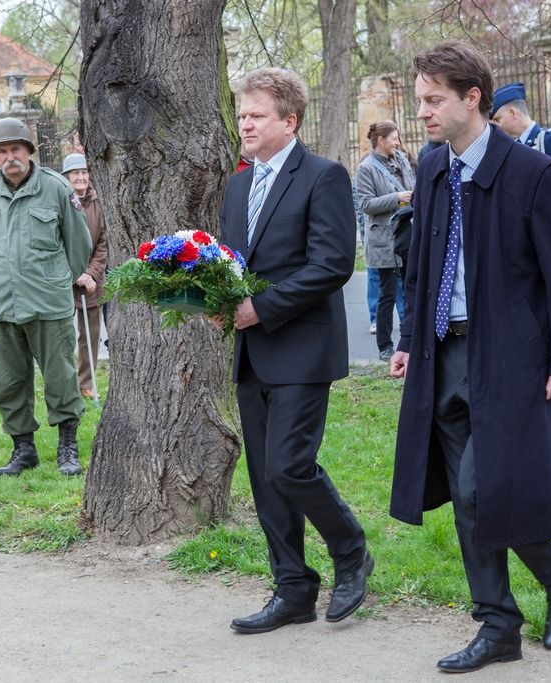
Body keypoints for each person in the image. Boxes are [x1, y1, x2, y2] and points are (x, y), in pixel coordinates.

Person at [389, 41, 551, 673]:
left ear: (471, 98)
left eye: (433, 100)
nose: (421, 112)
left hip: (511, 357)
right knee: (462, 487)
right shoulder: (430, 168)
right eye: (419, 100)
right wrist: (405, 339)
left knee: (485, 486)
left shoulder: (530, 172)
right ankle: (498, 625)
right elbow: (421, 265)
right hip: (443, 352)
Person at [218, 68, 372, 635]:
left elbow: (332, 262)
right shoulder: (237, 185)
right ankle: (293, 589)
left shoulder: (323, 176)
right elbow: (233, 264)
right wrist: (215, 298)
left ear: (290, 120)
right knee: (265, 476)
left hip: (303, 347)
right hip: (251, 351)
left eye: (256, 114)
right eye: (241, 114)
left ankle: (350, 549)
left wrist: (265, 307)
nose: (245, 123)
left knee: (289, 465)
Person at [0, 118, 92, 477]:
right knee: (9, 381)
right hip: (0, 304)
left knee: (60, 376)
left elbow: (79, 243)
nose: (11, 157)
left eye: (16, 149)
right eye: (3, 151)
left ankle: (67, 446)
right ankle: (23, 448)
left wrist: (61, 282)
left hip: (47, 301)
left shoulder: (56, 188)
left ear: (29, 152)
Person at [355, 120, 415, 360]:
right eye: (394, 138)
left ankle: (410, 343)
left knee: (411, 291)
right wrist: (397, 198)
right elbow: (365, 204)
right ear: (381, 140)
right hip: (384, 240)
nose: (397, 143)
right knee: (387, 295)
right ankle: (385, 346)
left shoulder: (400, 159)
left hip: (407, 235)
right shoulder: (366, 168)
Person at [61, 153, 108, 400]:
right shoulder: (61, 201)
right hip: (62, 277)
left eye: (84, 172)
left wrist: (90, 273)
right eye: (74, 174)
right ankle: (63, 381)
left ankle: (85, 382)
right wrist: (74, 272)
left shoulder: (99, 203)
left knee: (90, 333)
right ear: (67, 178)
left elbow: (103, 244)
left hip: (91, 280)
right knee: (61, 333)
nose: (80, 177)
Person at [491, 82, 551, 191]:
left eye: (498, 119)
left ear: (513, 113)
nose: (496, 126)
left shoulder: (548, 139)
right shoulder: (511, 146)